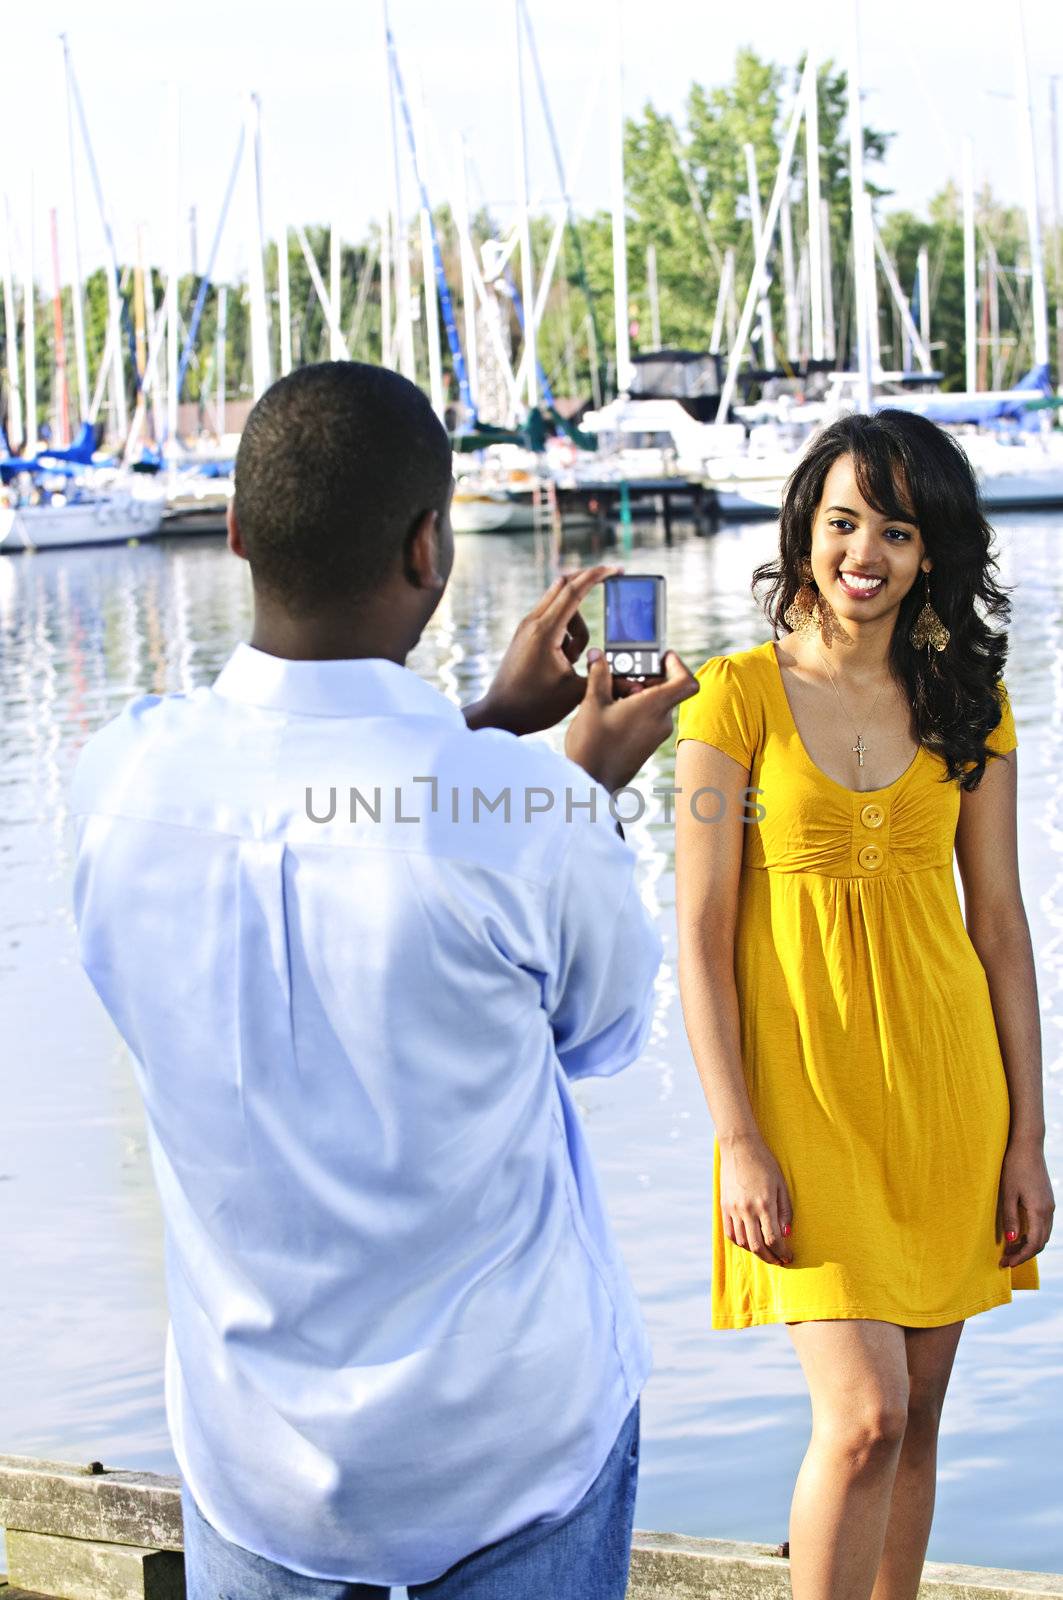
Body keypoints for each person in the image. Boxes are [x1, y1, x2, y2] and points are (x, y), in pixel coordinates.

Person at [71, 361, 697, 1600]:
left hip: (255, 1463)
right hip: (509, 1453)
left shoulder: (116, 782)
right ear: (430, 548)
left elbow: (309, 794)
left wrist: (487, 728)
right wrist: (574, 784)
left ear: (241, 532)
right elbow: (606, 1033)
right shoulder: (523, 813)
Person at [674, 410, 1053, 1600]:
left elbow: (999, 927)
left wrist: (1028, 1136)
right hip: (800, 1101)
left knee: (920, 1412)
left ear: (931, 551)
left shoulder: (970, 706)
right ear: (804, 531)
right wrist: (737, 1136)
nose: (864, 552)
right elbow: (693, 931)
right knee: (863, 1413)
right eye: (843, 521)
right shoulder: (728, 699)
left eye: (896, 529)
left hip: (946, 1090)